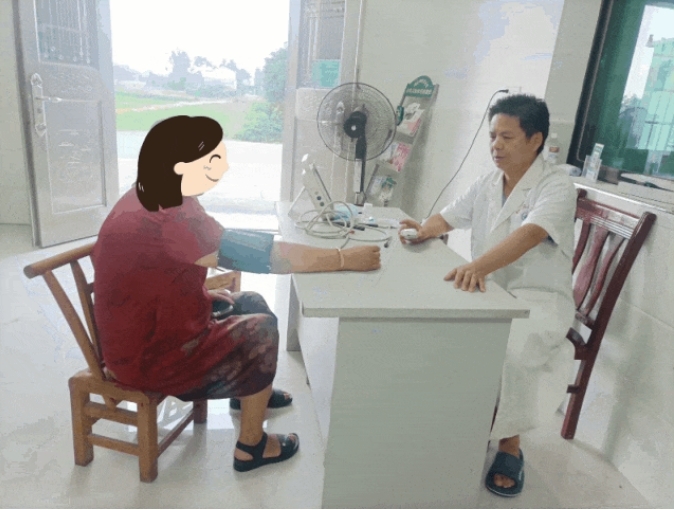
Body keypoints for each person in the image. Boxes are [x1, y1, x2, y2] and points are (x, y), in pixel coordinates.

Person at [92, 115, 380, 473]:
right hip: (149, 358)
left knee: (252, 302)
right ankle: (251, 447)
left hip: (148, 330)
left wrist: (198, 295)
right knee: (261, 331)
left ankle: (248, 389)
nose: (224, 166)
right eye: (213, 159)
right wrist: (342, 258)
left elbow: (164, 270)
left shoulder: (153, 192)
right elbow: (264, 256)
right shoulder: (171, 217)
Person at [399, 94, 576, 497]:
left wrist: (478, 266)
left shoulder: (556, 185)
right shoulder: (488, 182)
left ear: (535, 140)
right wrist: (424, 229)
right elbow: (450, 215)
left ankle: (510, 443)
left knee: (512, 350)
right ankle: (461, 423)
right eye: (493, 136)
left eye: (507, 137)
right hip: (491, 288)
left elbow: (530, 234)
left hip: (538, 298)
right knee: (440, 327)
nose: (496, 145)